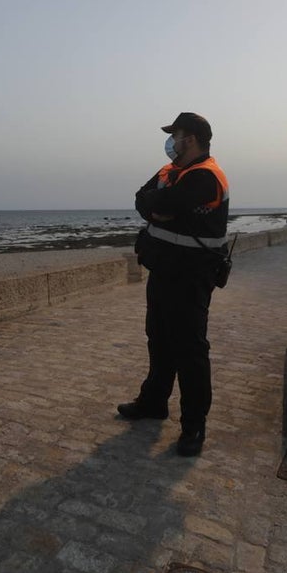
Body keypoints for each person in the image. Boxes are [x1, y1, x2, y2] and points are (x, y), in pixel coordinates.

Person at [119, 112, 229, 457]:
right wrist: (158, 209)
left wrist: (160, 207)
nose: (172, 141)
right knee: (159, 339)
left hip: (192, 276)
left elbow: (165, 202)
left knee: (190, 350)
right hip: (163, 271)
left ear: (191, 139)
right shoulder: (170, 172)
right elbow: (142, 198)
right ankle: (153, 402)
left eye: (176, 135)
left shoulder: (206, 177)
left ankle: (194, 425)